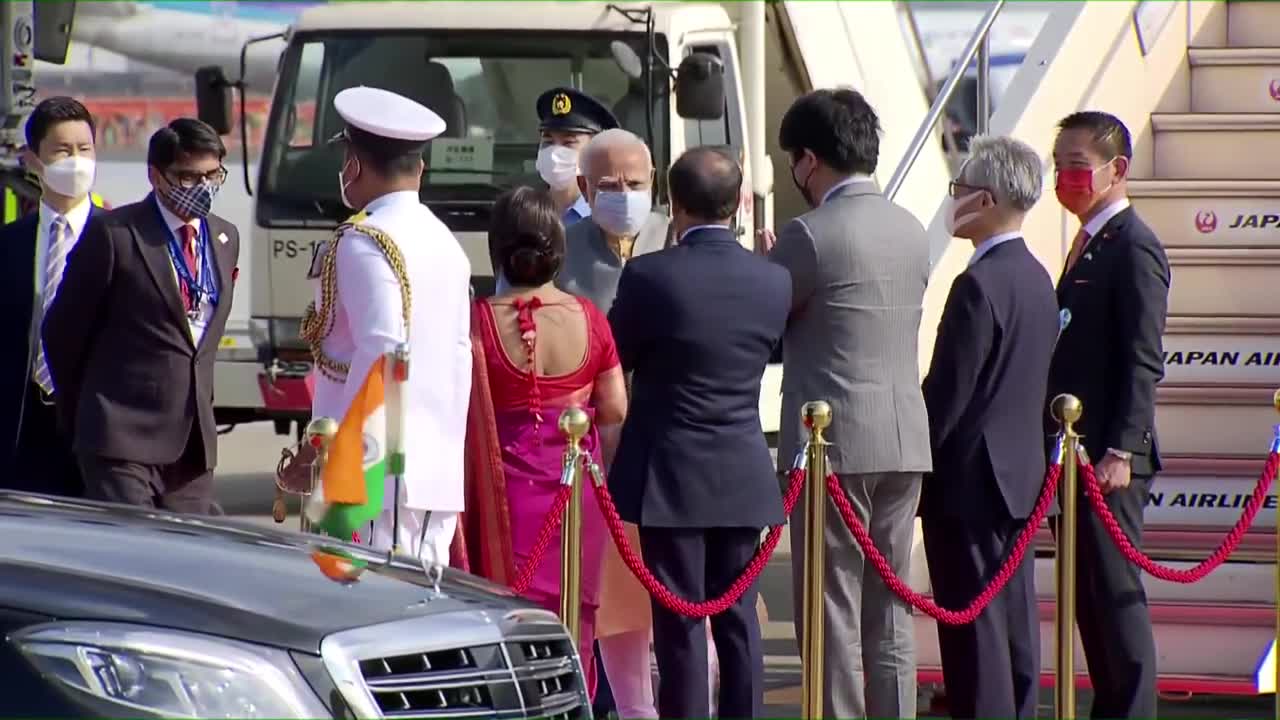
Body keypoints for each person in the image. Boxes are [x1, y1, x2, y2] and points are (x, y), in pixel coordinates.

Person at [766, 88, 931, 720]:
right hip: (902, 435)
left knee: (830, 601)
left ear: (809, 160)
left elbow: (771, 320)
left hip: (830, 443)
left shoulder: (808, 233)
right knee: (891, 604)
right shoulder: (910, 229)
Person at [608, 147, 789, 720]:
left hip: (671, 473)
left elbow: (619, 355)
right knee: (739, 621)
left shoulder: (648, 275)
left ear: (672, 203)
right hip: (741, 468)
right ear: (739, 202)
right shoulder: (773, 279)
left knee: (681, 623)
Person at [457, 185, 627, 697]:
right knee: (575, 625)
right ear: (557, 247)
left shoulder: (476, 323)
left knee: (501, 631)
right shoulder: (592, 321)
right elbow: (615, 410)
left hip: (500, 499)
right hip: (577, 499)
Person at [302, 86, 472, 562]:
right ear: (419, 168)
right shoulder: (444, 241)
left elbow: (380, 349)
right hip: (431, 467)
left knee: (361, 607)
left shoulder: (365, 240)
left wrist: (349, 467)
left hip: (375, 473)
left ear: (353, 165)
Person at [921, 136, 1059, 719]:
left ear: (983, 197)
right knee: (1012, 624)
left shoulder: (977, 284)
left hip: (968, 484)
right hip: (1020, 480)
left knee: (973, 632)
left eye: (958, 191)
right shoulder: (1036, 276)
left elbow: (948, 395)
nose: (954, 202)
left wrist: (911, 459)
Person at [41, 118, 238, 512]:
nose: (202, 187)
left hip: (192, 447)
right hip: (120, 441)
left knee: (191, 562)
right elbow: (62, 334)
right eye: (187, 177)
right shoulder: (115, 234)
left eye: (213, 175)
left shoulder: (224, 237)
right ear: (155, 176)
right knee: (133, 556)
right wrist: (89, 415)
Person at [1047, 111, 1168, 720]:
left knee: (1116, 601)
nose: (1065, 176)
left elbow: (1144, 357)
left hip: (1108, 459)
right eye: (1059, 163)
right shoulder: (1089, 241)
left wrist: (1121, 448)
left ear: (1116, 169)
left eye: (1077, 164)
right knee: (1089, 602)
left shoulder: (1135, 246)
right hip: (1073, 454)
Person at [0, 97, 100, 497]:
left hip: (94, 433)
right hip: (21, 432)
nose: (76, 161)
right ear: (32, 160)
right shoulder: (10, 245)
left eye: (85, 149)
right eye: (62, 150)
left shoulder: (124, 242)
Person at [556, 128, 670, 313]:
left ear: (651, 180)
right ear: (584, 186)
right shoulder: (561, 249)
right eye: (608, 186)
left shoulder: (674, 237)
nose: (624, 195)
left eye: (634, 184)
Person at [535, 87, 619, 226]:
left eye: (568, 142)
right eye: (548, 141)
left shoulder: (608, 221)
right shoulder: (524, 217)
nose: (554, 152)